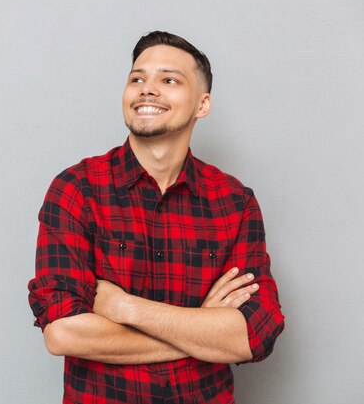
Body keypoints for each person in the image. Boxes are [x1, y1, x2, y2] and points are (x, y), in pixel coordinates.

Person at [27, 31, 285, 403]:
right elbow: (64, 333)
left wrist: (125, 307)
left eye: (169, 80)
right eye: (137, 78)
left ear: (203, 104)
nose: (147, 89)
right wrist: (199, 329)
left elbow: (254, 334)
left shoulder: (235, 202)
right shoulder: (76, 189)